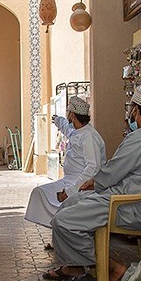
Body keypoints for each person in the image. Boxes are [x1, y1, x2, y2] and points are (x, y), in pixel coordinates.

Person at [43, 83, 141, 281]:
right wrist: (95, 183)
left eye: (131, 109)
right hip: (133, 199)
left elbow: (114, 170)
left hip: (128, 205)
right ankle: (74, 266)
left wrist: (95, 182)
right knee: (71, 202)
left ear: (136, 110)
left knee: (64, 221)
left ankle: (113, 268)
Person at [24, 96, 106, 249]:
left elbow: (93, 168)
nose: (67, 116)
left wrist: (70, 191)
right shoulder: (77, 130)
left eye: (68, 113)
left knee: (65, 205)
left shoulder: (89, 136)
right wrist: (57, 120)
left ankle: (66, 238)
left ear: (72, 115)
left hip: (82, 184)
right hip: (68, 180)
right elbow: (66, 128)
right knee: (39, 193)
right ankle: (60, 234)